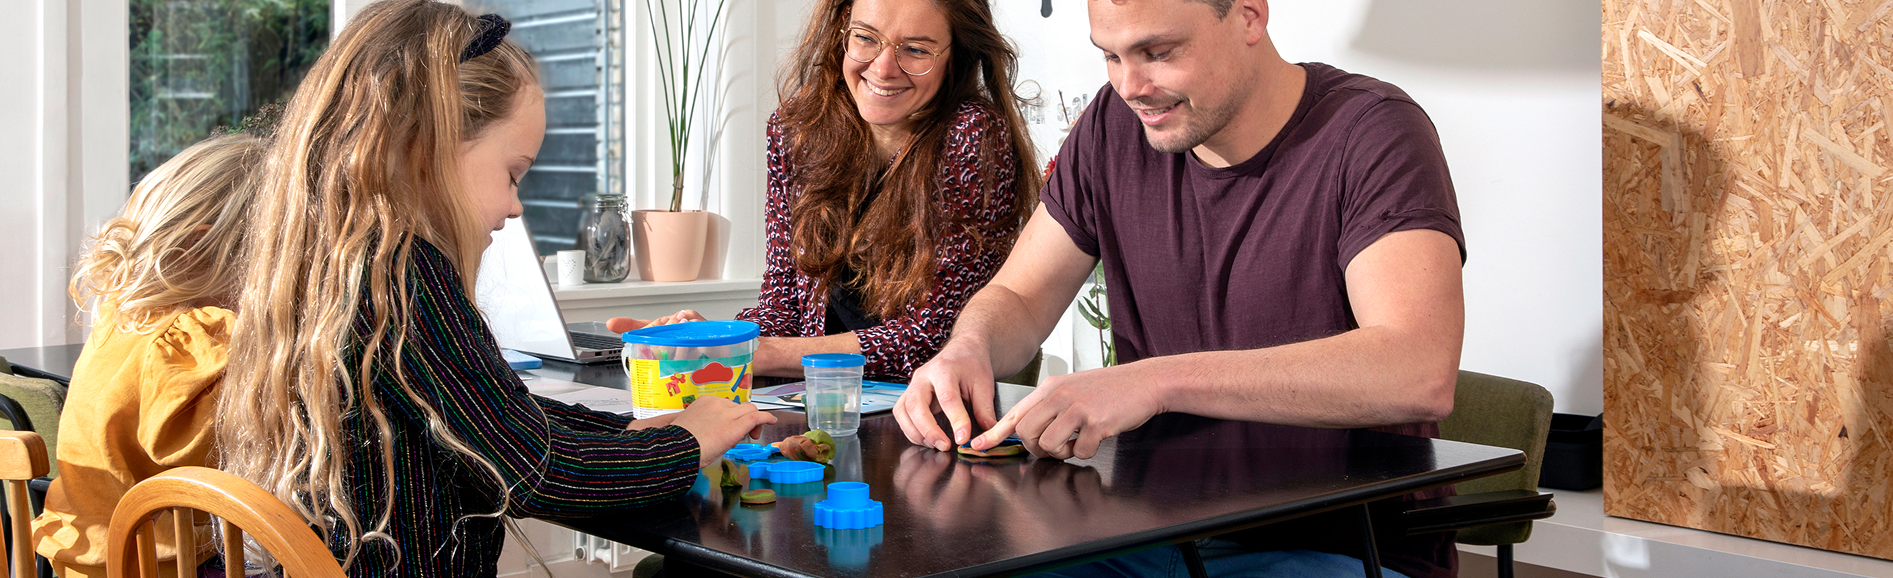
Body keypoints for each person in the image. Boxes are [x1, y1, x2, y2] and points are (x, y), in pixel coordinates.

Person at [894, 0, 1467, 576]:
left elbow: (1417, 367)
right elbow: (1019, 297)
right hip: (1151, 531)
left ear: (1248, 15)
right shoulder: (1113, 126)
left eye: (1158, 53)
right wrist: (968, 348)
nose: (1130, 86)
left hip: (1336, 546)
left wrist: (1156, 382)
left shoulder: (1374, 132)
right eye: (1111, 57)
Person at [214, 2, 774, 575]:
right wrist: (684, 448)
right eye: (512, 173)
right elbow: (533, 471)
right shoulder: (405, 275)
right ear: (424, 146)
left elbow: (498, 415)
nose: (515, 205)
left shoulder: (338, 262)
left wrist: (626, 431)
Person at [605, 0, 1040, 382]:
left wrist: (754, 354)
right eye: (866, 38)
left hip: (927, 417)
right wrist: (715, 337)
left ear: (956, 57)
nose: (884, 67)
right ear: (842, 29)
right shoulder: (798, 129)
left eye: (916, 49)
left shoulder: (974, 137)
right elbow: (782, 304)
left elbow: (932, 338)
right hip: (822, 402)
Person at [26, 133, 264, 578]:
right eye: (279, 251)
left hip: (83, 561)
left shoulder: (121, 316)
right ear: (199, 247)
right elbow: (240, 466)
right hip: (159, 566)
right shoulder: (197, 339)